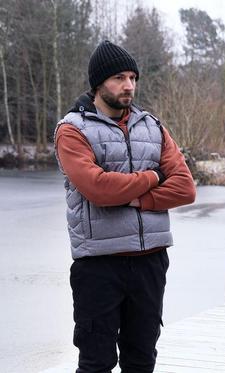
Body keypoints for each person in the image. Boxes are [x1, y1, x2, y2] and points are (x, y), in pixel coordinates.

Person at [54, 40, 196, 372]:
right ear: (99, 83)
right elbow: (98, 188)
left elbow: (186, 188)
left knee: (142, 359)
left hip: (150, 262)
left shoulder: (153, 127)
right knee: (96, 362)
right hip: (99, 265)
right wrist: (153, 176)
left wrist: (138, 198)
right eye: (119, 77)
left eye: (133, 77)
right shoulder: (72, 130)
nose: (128, 85)